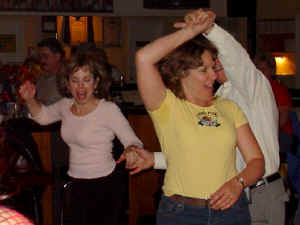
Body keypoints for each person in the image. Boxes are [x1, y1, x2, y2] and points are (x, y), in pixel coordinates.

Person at [121, 10, 289, 225]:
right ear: (183, 72)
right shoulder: (189, 102)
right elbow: (202, 154)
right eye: (206, 68)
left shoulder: (247, 91)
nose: (214, 74)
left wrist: (207, 28)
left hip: (251, 197)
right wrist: (154, 159)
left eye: (215, 66)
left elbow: (256, 160)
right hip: (186, 210)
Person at [18, 53, 143, 225]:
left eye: (86, 80)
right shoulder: (65, 105)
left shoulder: (108, 109)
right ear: (68, 83)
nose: (81, 87)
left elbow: (132, 140)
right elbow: (43, 117)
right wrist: (30, 100)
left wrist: (131, 150)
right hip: (76, 182)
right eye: (75, 80)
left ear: (96, 82)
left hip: (105, 184)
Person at [36, 37, 69, 225]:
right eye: (40, 56)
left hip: (60, 138)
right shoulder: (41, 80)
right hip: (44, 138)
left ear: (58, 57)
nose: (42, 60)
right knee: (48, 182)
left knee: (57, 181)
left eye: (45, 56)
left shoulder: (67, 79)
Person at [254, 52, 294, 155]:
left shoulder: (279, 89)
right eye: (258, 69)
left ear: (272, 71)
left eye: (264, 69)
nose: (260, 73)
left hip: (280, 133)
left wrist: (265, 132)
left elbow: (283, 119)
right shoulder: (254, 88)